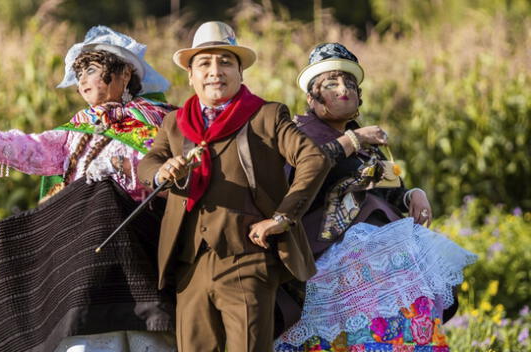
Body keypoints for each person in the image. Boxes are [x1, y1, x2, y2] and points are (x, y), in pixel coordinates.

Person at [0, 26, 177, 352]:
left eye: (92, 70)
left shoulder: (162, 122)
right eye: (79, 72)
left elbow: (168, 170)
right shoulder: (76, 130)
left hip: (142, 241)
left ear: (125, 73)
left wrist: (124, 171)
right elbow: (35, 147)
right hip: (88, 249)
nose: (83, 80)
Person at [137, 21, 331, 352]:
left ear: (240, 72)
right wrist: (162, 171)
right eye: (204, 63)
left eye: (225, 62)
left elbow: (315, 158)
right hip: (190, 264)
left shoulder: (266, 116)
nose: (215, 71)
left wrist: (283, 217)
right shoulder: (174, 123)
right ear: (190, 75)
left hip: (248, 259)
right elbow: (148, 165)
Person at [274, 43, 477, 351]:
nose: (344, 89)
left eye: (350, 84)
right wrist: (352, 140)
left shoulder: (369, 145)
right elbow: (303, 175)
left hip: (385, 269)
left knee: (401, 334)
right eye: (331, 84)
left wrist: (413, 195)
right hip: (331, 266)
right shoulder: (299, 134)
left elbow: (391, 189)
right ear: (311, 98)